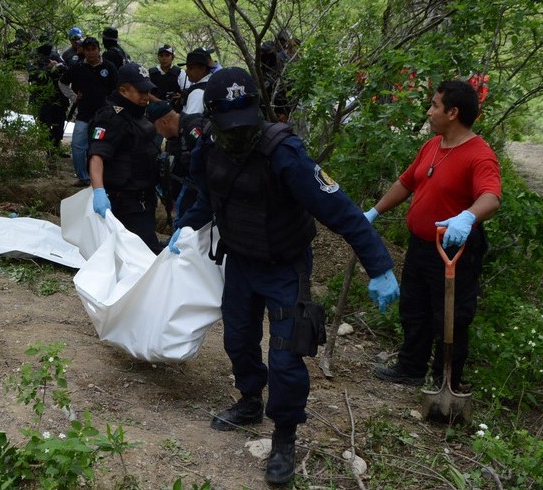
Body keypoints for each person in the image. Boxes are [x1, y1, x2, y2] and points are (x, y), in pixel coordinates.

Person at [171, 67, 399, 484]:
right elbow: (209, 194)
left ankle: (284, 435)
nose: (238, 132)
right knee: (238, 337)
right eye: (228, 123)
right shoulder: (210, 145)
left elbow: (341, 211)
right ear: (213, 117)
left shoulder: (284, 153)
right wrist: (186, 225)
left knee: (286, 354)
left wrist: (380, 266)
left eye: (244, 121)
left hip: (284, 267)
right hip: (239, 260)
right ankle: (249, 400)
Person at [367, 80, 501, 391]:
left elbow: (491, 196)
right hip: (421, 246)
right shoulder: (432, 145)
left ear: (453, 112)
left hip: (453, 251)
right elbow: (406, 182)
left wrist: (468, 217)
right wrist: (374, 212)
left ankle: (447, 381)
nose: (429, 112)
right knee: (414, 308)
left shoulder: (479, 154)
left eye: (434, 106)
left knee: (451, 316)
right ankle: (411, 368)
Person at [88, 63, 162, 254]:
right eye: (140, 91)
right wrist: (98, 191)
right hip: (125, 200)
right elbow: (97, 155)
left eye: (148, 91)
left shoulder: (137, 114)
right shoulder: (111, 117)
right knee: (142, 254)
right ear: (123, 90)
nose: (145, 96)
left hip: (146, 198)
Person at [58, 37, 118, 187]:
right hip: (84, 113)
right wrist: (73, 97)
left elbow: (117, 90)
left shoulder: (109, 67)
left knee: (100, 147)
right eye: (88, 50)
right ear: (83, 51)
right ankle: (83, 177)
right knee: (78, 145)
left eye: (94, 49)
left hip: (104, 116)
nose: (91, 53)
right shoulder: (78, 67)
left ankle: (102, 178)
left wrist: (114, 109)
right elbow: (62, 82)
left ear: (99, 49)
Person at [146, 100, 204, 224]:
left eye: (157, 129)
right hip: (191, 189)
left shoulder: (193, 128)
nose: (158, 133)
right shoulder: (172, 141)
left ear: (164, 122)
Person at [28, 37, 69, 155]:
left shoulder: (55, 55)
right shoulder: (34, 57)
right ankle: (48, 149)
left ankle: (55, 149)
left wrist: (58, 66)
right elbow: (33, 74)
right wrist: (48, 68)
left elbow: (66, 69)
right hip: (41, 97)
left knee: (58, 124)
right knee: (44, 123)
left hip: (58, 96)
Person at [177, 48, 213, 115]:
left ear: (202, 68)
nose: (186, 71)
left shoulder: (198, 93)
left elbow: (189, 121)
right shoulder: (213, 83)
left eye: (190, 68)